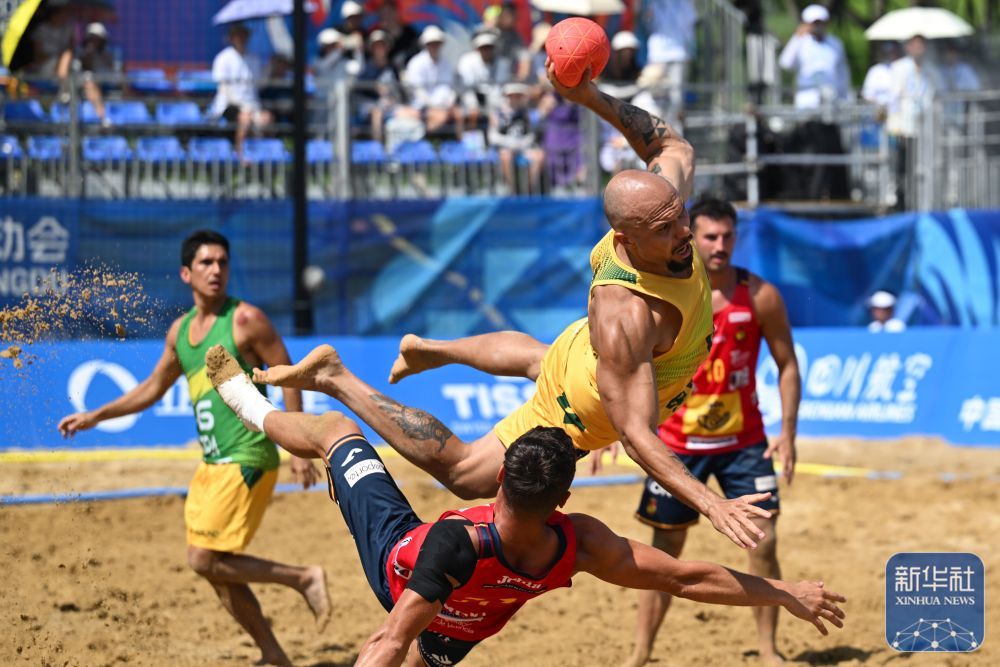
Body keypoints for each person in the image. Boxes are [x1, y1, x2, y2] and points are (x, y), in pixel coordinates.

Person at [253, 61, 777, 551]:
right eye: (664, 229)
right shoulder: (626, 314)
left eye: (680, 215)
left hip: (582, 354)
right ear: (627, 239)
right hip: (581, 409)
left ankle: (435, 350)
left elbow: (669, 143)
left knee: (540, 358)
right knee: (465, 475)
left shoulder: (656, 203)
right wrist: (712, 504)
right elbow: (636, 435)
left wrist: (587, 95)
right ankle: (339, 378)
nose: (684, 232)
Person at [206, 345, 847, 667]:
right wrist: (783, 592)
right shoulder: (575, 542)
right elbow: (685, 577)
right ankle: (251, 403)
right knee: (338, 436)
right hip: (408, 569)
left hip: (436, 609)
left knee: (337, 434)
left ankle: (286, 397)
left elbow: (386, 644)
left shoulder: (479, 539)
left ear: (501, 481)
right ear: (562, 497)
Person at [57, 230, 328, 667]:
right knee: (218, 568)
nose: (216, 269)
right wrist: (96, 415)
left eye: (222, 262)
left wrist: (298, 450)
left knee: (203, 559)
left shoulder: (246, 319)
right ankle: (273, 653)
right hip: (211, 463)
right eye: (206, 262)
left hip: (247, 455)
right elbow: (151, 388)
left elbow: (288, 373)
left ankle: (303, 578)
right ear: (187, 273)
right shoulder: (181, 331)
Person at [627, 196, 801, 667]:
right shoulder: (665, 293)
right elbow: (627, 364)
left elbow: (787, 364)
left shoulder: (760, 295)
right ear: (691, 238)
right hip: (677, 445)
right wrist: (611, 425)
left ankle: (768, 650)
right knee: (665, 551)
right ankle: (640, 653)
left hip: (744, 444)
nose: (720, 245)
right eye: (709, 236)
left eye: (727, 236)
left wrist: (787, 431)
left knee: (763, 542)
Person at [778, 4, 850, 200]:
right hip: (808, 109)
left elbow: (842, 75)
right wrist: (797, 37)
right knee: (814, 154)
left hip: (831, 109)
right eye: (814, 23)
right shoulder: (801, 43)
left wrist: (844, 100)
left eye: (821, 23)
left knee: (833, 153)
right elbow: (785, 63)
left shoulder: (835, 44)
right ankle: (812, 195)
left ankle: (838, 196)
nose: (818, 27)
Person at [209, 23, 273, 157]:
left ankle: (261, 155)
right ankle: (241, 154)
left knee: (267, 118)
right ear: (231, 38)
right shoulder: (223, 58)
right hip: (229, 105)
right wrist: (241, 105)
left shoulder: (254, 59)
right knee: (245, 119)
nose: (241, 39)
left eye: (243, 35)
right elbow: (223, 87)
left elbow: (260, 85)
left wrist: (270, 70)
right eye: (237, 36)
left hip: (252, 105)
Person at [78, 22, 114, 125]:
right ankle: (102, 117)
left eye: (97, 38)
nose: (95, 40)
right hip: (91, 83)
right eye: (92, 37)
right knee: (89, 82)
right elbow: (87, 67)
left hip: (108, 81)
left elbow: (111, 70)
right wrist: (90, 53)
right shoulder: (82, 52)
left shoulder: (107, 53)